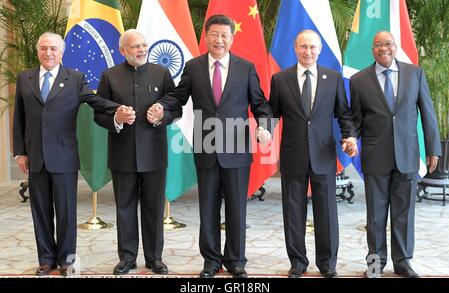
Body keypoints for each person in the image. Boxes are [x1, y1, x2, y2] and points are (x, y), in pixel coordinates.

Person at [148, 14, 272, 278]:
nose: (219, 40)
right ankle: (211, 261)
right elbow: (178, 96)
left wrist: (264, 127)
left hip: (237, 149)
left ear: (232, 38)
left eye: (224, 35)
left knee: (237, 208)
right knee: (208, 208)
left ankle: (236, 260)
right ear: (206, 36)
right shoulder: (193, 67)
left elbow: (260, 104)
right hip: (206, 147)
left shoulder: (245, 68)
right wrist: (162, 106)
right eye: (214, 34)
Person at [12, 32, 133, 276]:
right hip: (35, 157)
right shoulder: (24, 78)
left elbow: (95, 101)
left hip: (64, 157)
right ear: (38, 51)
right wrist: (20, 153)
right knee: (41, 212)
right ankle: (46, 260)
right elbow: (19, 118)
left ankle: (66, 259)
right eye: (44, 48)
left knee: (66, 212)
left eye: (53, 49)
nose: (48, 53)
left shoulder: (75, 78)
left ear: (61, 53)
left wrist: (118, 108)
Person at [350, 31, 441, 278]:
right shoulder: (359, 80)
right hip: (375, 157)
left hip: (407, 156)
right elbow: (355, 120)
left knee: (404, 214)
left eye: (388, 44)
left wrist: (433, 148)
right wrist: (349, 139)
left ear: (395, 46)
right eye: (378, 45)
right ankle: (375, 265)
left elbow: (428, 113)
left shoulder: (415, 74)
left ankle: (403, 262)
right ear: (372, 50)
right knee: (375, 217)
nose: (384, 48)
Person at [269, 30, 357, 278]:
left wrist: (349, 136)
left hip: (323, 155)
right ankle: (298, 262)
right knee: (293, 212)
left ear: (319, 50)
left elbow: (344, 115)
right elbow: (272, 114)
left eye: (312, 47)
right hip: (293, 155)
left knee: (327, 212)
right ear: (295, 49)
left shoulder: (334, 79)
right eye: (303, 47)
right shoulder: (281, 79)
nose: (308, 51)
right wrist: (264, 130)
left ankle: (328, 263)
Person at [94, 29, 181, 275]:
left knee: (154, 208)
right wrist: (117, 118)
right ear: (123, 51)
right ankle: (127, 258)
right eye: (135, 46)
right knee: (125, 207)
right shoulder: (109, 76)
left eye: (144, 45)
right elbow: (98, 114)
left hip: (154, 154)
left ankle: (155, 259)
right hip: (122, 155)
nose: (142, 50)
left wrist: (162, 116)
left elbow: (176, 109)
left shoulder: (161, 73)